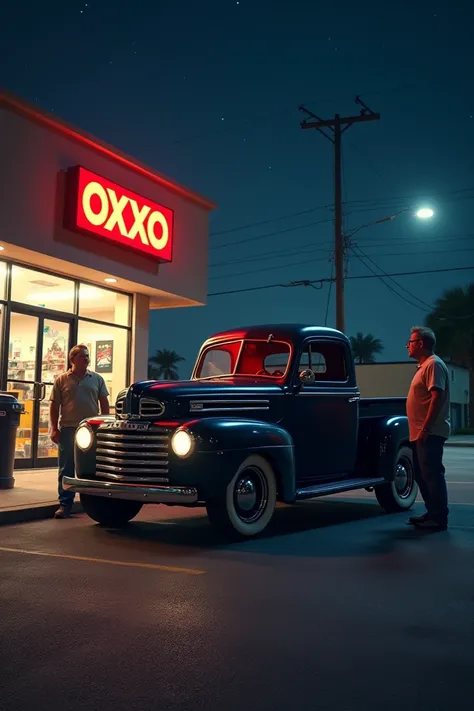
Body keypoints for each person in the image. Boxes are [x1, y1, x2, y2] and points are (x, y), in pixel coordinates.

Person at [50, 344, 110, 519]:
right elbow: (54, 405)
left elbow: (104, 402)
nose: (87, 359)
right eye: (83, 356)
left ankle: (96, 502)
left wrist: (104, 424)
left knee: (93, 466)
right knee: (66, 467)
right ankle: (65, 504)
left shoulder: (97, 379)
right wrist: (54, 428)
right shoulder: (61, 380)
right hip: (68, 428)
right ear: (72, 359)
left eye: (87, 356)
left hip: (91, 430)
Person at [406, 326, 450, 531]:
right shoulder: (424, 367)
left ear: (421, 344)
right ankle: (431, 513)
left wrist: (426, 428)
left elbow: (437, 396)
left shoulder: (433, 365)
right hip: (419, 432)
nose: (407, 345)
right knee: (422, 474)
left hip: (429, 432)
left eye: (411, 341)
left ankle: (439, 517)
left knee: (432, 474)